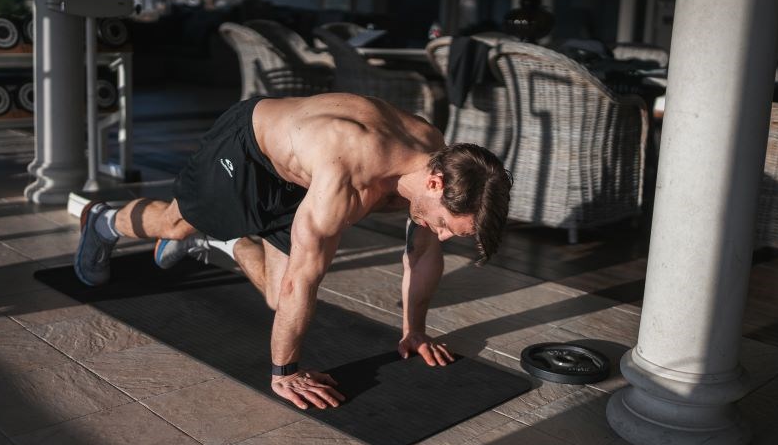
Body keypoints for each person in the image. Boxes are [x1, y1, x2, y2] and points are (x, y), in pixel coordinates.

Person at [74, 93, 512, 410]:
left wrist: (413, 331)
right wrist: (285, 373)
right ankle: (101, 221)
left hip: (301, 178)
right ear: (434, 184)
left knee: (275, 299)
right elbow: (302, 279)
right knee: (175, 222)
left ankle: (231, 239)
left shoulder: (439, 162)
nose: (443, 234)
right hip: (248, 149)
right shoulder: (349, 176)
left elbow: (422, 254)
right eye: (444, 224)